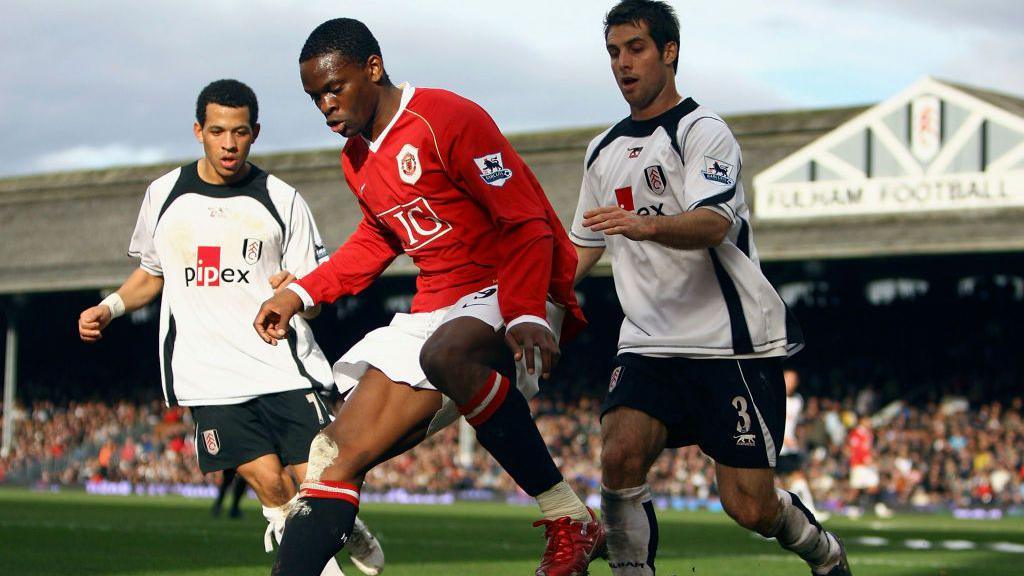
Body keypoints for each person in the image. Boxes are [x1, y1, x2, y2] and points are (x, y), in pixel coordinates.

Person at [253, 18, 604, 576]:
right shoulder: (357, 158)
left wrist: (524, 312)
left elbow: (525, 220)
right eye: (314, 97)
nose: (325, 106)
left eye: (334, 88)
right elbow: (377, 239)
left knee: (445, 355)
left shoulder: (447, 118)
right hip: (438, 308)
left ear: (373, 68)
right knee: (332, 457)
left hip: (509, 286)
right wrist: (301, 290)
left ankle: (567, 515)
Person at [570, 2, 850, 575]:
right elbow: (582, 247)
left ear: (669, 52)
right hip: (648, 341)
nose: (623, 64)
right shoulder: (601, 150)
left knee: (748, 505)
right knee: (619, 455)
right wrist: (524, 304)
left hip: (730, 345)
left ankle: (823, 551)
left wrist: (645, 224)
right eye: (613, 53)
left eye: (636, 48)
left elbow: (714, 223)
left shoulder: (703, 132)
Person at [77, 79, 383, 576]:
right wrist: (109, 307)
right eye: (217, 131)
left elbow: (315, 298)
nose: (228, 143)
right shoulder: (164, 195)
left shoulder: (282, 200)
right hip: (209, 375)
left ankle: (347, 527)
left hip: (281, 367)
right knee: (270, 485)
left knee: (319, 485)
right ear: (199, 130)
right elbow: (152, 274)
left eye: (239, 132)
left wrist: (297, 292)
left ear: (254, 133)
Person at [777, 370, 828, 522]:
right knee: (778, 483)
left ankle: (808, 511)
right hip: (775, 446)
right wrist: (783, 437)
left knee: (798, 478)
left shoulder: (797, 401)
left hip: (790, 449)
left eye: (793, 380)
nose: (790, 383)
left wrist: (797, 438)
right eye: (788, 379)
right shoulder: (774, 397)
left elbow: (795, 424)